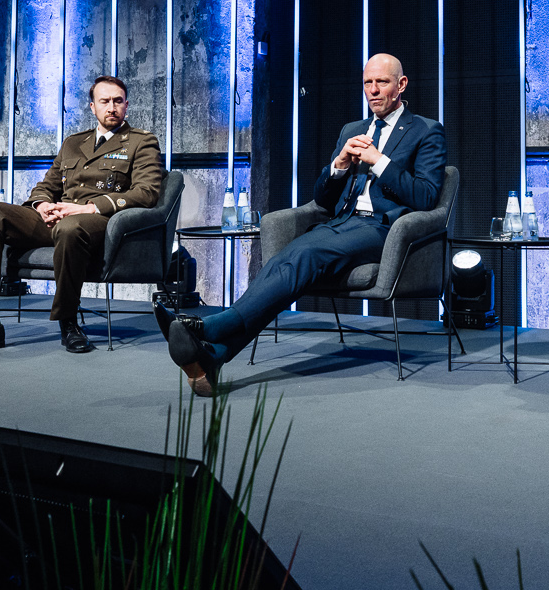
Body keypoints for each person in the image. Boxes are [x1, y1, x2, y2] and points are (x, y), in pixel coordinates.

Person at [160, 53, 445, 396]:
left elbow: (426, 196)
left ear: (401, 85)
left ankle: (211, 326)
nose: (373, 90)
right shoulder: (352, 130)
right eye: (367, 82)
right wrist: (339, 165)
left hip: (383, 229)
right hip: (342, 223)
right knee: (287, 260)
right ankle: (215, 354)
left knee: (304, 255)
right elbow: (322, 200)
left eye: (382, 82)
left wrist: (379, 161)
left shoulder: (425, 130)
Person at [0, 75, 163, 355]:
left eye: (118, 101)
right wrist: (41, 205)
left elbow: (146, 192)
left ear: (126, 105)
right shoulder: (73, 143)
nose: (112, 107)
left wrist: (89, 207)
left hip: (98, 221)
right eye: (105, 101)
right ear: (93, 107)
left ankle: (68, 322)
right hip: (58, 217)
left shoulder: (141, 141)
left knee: (70, 227)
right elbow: (47, 185)